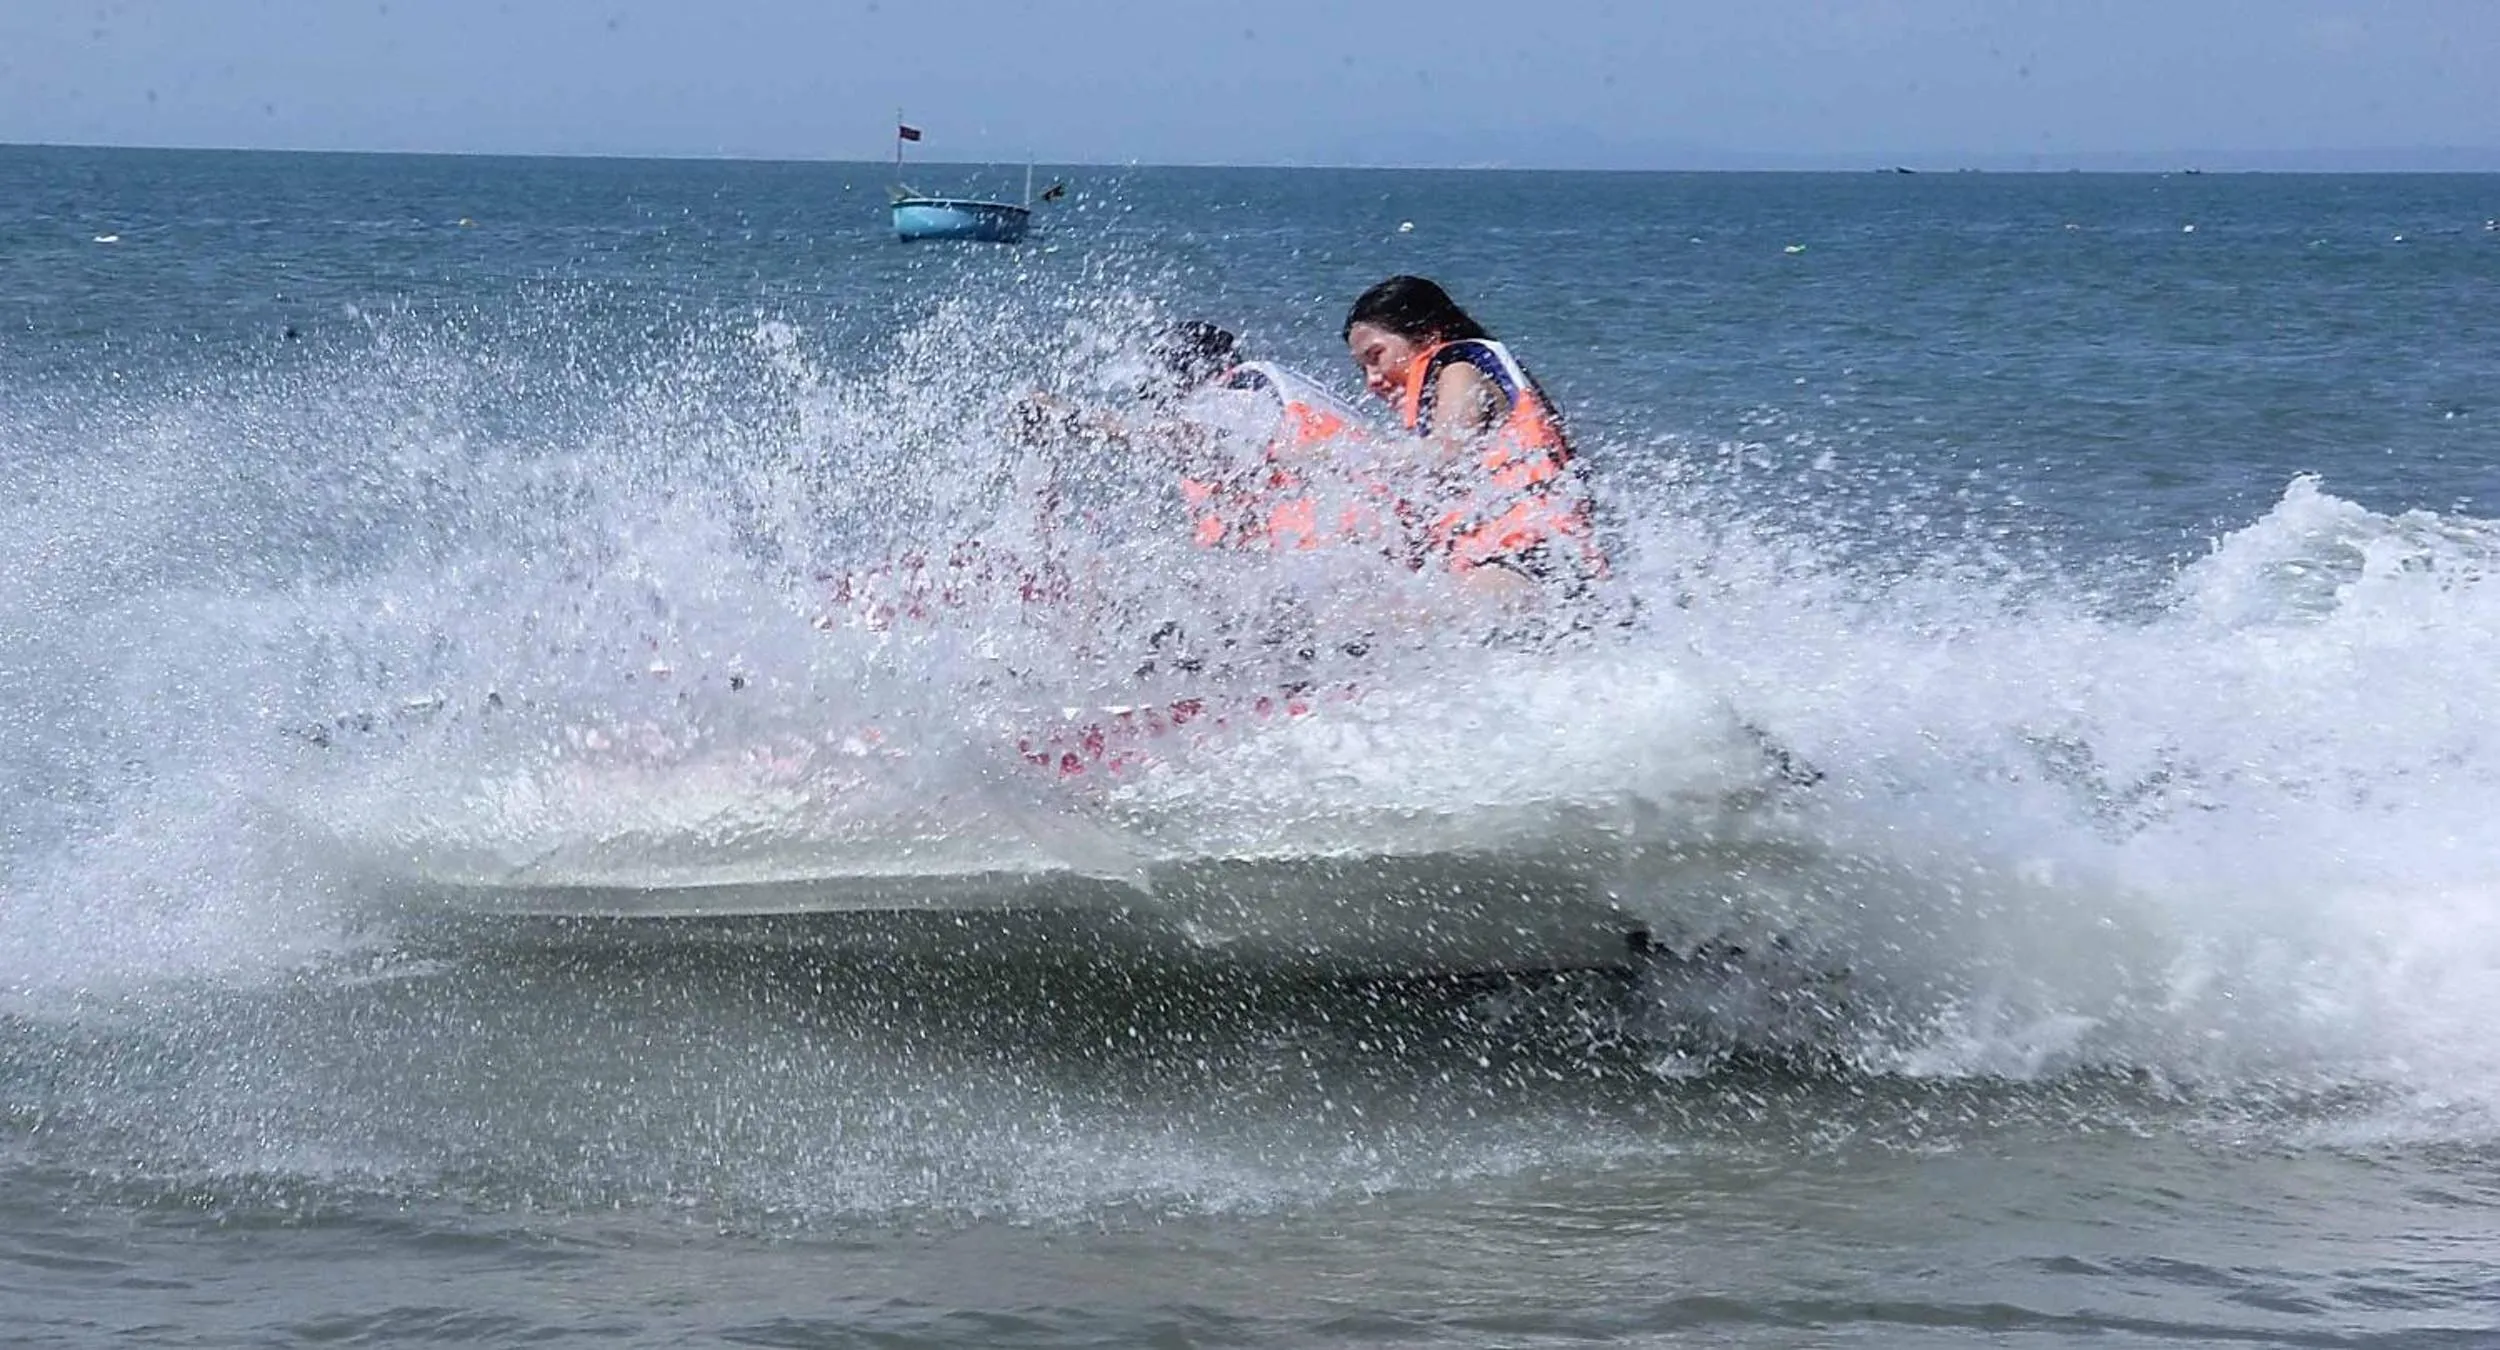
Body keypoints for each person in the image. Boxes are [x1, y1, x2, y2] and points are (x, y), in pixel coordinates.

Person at [1341, 276, 1606, 589]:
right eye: (1362, 369)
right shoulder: (1444, 396)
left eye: (1376, 356)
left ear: (1427, 335)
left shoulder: (1461, 370)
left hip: (1534, 560)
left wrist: (1348, 458)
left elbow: (1446, 453)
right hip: (1538, 564)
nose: (1371, 380)